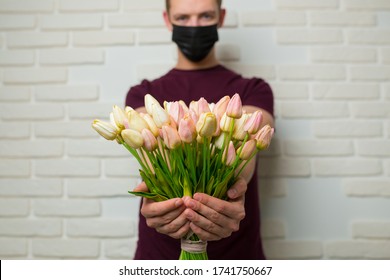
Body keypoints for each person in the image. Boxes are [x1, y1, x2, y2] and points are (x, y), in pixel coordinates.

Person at [125, 0, 274, 260]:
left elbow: (245, 153)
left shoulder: (253, 90)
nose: (194, 26)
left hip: (236, 255)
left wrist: (233, 188)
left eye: (205, 16)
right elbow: (151, 156)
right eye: (183, 18)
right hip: (159, 255)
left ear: (221, 17)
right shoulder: (143, 94)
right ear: (167, 19)